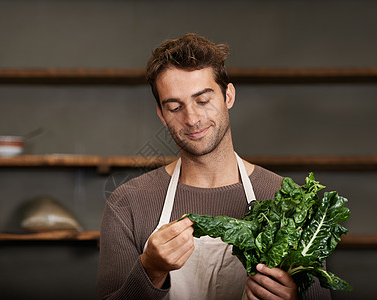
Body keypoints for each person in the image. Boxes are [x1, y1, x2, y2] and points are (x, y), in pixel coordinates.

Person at [96, 33, 331, 300]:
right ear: (161, 115)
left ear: (228, 96)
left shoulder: (289, 201)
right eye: (175, 107)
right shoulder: (128, 204)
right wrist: (150, 270)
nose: (192, 118)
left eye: (203, 101)